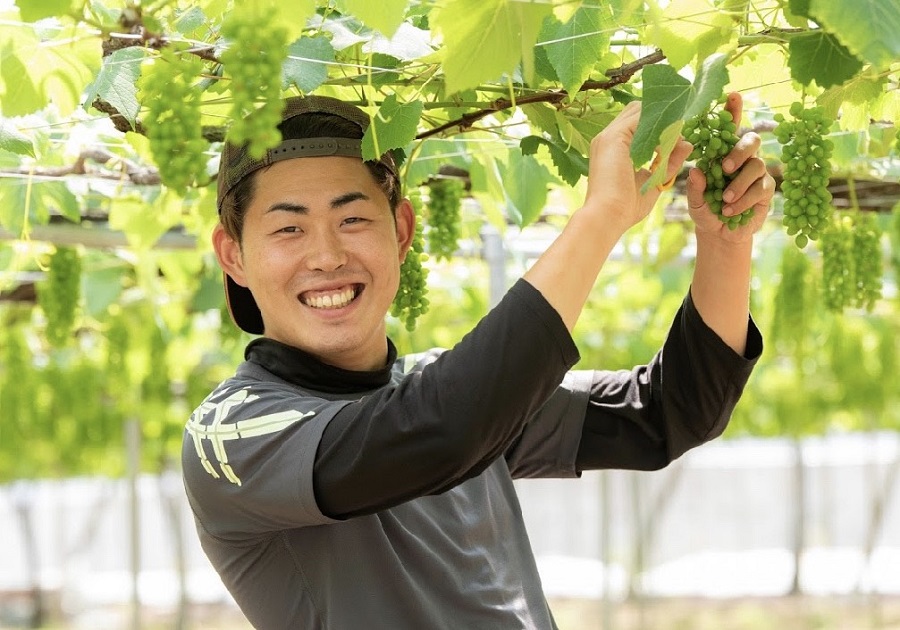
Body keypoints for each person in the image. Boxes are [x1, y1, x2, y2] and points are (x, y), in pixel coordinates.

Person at [182, 92, 773, 629]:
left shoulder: (448, 394)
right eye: (288, 228)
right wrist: (601, 216)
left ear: (403, 230)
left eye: (353, 218)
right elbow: (440, 430)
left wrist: (725, 243)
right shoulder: (232, 431)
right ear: (232, 255)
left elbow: (666, 413)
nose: (328, 255)